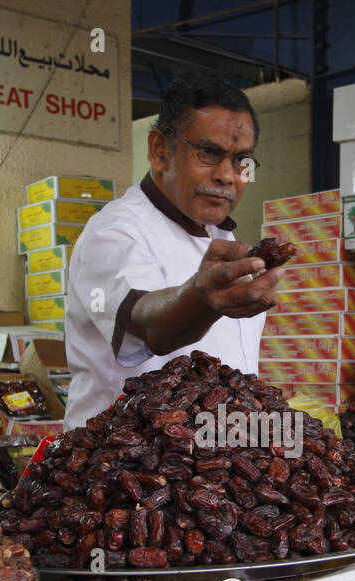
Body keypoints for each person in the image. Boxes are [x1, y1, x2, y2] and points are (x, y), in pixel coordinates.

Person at [62, 74, 283, 429]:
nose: (228, 175)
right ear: (159, 150)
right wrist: (200, 299)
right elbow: (152, 326)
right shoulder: (115, 232)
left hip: (213, 465)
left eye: (242, 161)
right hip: (122, 466)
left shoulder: (220, 238)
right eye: (208, 153)